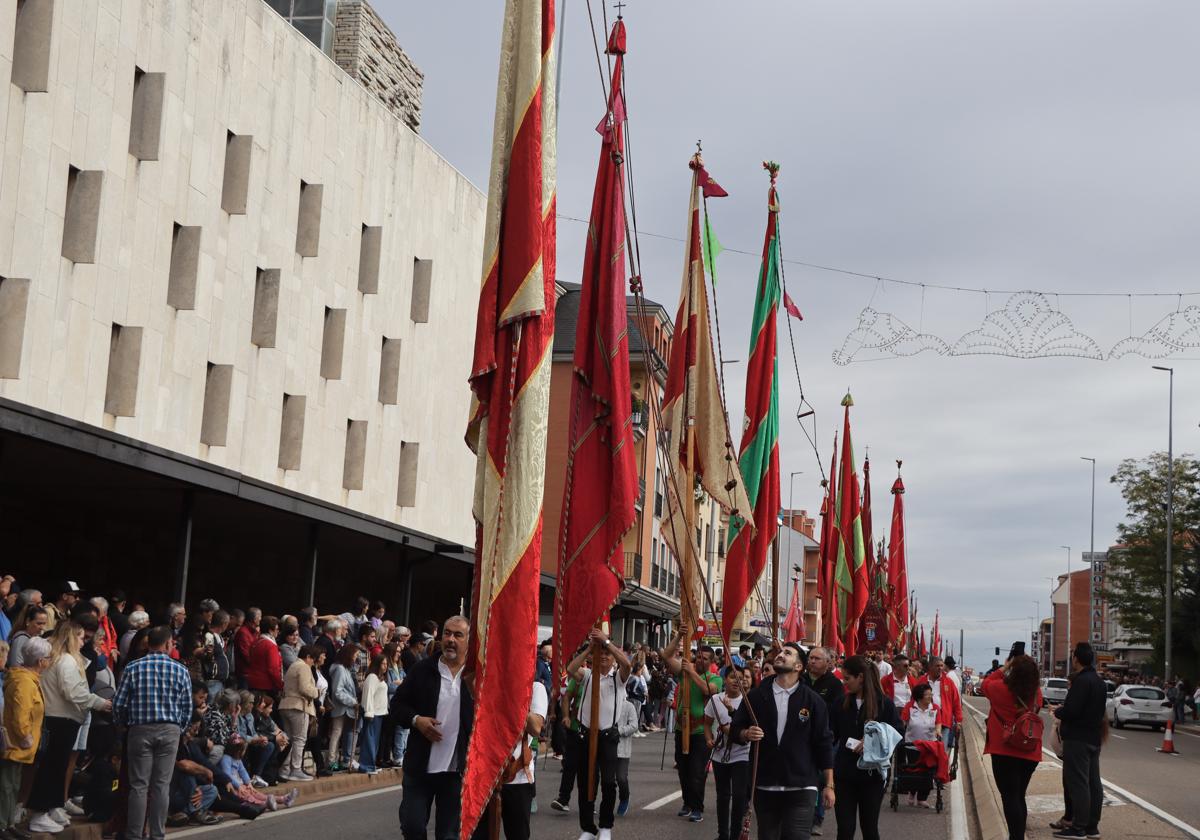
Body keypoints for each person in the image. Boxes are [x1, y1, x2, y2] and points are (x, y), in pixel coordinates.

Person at [729, 643, 835, 840]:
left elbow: (824, 743)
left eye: (787, 653)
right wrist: (746, 733)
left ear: (798, 667)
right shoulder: (756, 696)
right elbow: (735, 730)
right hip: (765, 784)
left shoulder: (813, 701)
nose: (780, 655)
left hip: (802, 785)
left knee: (796, 836)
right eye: (779, 652)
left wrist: (829, 785)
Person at [392, 616, 474, 840]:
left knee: (448, 835)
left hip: (456, 772)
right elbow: (397, 705)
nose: (450, 640)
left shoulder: (476, 677)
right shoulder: (423, 670)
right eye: (447, 633)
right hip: (420, 767)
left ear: (469, 640)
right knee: (412, 826)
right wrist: (417, 720)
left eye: (458, 635)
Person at [27, 619, 111, 834]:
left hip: (63, 718)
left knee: (57, 765)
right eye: (81, 637)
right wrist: (99, 702)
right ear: (71, 636)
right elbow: (73, 692)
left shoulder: (64, 659)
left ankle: (51, 806)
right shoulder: (65, 660)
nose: (84, 642)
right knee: (52, 766)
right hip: (60, 719)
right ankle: (39, 812)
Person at [113, 624, 193, 840]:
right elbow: (187, 707)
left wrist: (124, 725)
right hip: (170, 730)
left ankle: (134, 834)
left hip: (139, 729)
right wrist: (179, 728)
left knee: (139, 785)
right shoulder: (181, 670)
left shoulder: (132, 668)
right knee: (161, 786)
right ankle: (157, 834)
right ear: (168, 644)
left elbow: (119, 704)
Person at [566, 628, 633, 840]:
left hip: (607, 738)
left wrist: (607, 642)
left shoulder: (618, 679)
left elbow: (628, 665)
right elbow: (570, 669)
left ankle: (605, 826)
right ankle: (587, 828)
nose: (603, 656)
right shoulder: (587, 675)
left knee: (608, 783)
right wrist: (589, 649)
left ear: (613, 657)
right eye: (600, 653)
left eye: (607, 654)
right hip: (585, 736)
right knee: (586, 782)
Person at [830, 656, 901, 840]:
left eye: (847, 678)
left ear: (860, 677)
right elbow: (830, 735)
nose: (844, 683)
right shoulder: (840, 703)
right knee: (845, 830)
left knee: (869, 828)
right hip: (844, 776)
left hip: (872, 777)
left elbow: (897, 733)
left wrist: (872, 741)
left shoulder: (884, 704)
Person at [472, 678, 548, 840]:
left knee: (518, 835)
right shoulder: (489, 682)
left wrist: (512, 697)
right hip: (484, 777)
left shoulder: (535, 687)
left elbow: (535, 728)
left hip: (517, 779)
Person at [981, 654, 1042, 840]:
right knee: (1019, 796)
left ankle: (1016, 838)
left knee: (1009, 797)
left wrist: (1004, 667)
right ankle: (1017, 837)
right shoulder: (1036, 693)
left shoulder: (1000, 688)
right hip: (1029, 751)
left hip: (1004, 750)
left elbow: (985, 683)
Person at [663, 632, 721, 823]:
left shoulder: (715, 678)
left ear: (712, 662)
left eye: (705, 659)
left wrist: (691, 672)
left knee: (697, 772)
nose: (700, 660)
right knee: (683, 769)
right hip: (682, 729)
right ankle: (687, 803)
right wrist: (680, 635)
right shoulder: (685, 672)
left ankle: (697, 807)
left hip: (700, 733)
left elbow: (707, 690)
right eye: (698, 657)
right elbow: (667, 656)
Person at [1052, 643, 1106, 840]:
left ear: (1077, 658)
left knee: (1079, 783)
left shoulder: (1082, 681)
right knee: (1093, 783)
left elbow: (1072, 711)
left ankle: (1079, 827)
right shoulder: (1099, 682)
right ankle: (1092, 826)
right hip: (1093, 737)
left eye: (1073, 656)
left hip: (1078, 739)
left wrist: (1059, 711)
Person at [1, 637, 50, 836]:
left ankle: (8, 823)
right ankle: (3, 824)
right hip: (15, 744)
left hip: (20, 745)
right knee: (6, 786)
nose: (49, 661)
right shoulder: (24, 682)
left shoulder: (28, 680)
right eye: (48, 658)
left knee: (13, 785)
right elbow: (21, 714)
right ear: (40, 661)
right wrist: (25, 736)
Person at [705, 668, 752, 840]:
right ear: (724, 679)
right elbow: (707, 724)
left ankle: (735, 834)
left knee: (739, 796)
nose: (736, 681)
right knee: (723, 796)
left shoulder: (748, 701)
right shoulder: (715, 700)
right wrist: (709, 739)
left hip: (742, 755)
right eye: (733, 677)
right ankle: (722, 834)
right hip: (719, 755)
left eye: (740, 678)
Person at [278, 645, 320, 782]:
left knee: (289, 739)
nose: (313, 662)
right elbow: (304, 688)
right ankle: (295, 769)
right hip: (298, 706)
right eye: (313, 659)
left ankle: (285, 769)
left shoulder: (293, 665)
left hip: (285, 705)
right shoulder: (303, 667)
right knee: (300, 739)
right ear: (308, 657)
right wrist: (317, 692)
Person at [899, 683, 940, 808]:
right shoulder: (910, 707)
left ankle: (922, 798)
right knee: (914, 770)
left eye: (931, 694)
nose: (930, 696)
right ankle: (912, 793)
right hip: (912, 745)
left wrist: (938, 731)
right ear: (919, 696)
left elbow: (939, 723)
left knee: (927, 771)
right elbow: (903, 722)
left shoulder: (935, 708)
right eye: (927, 694)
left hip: (929, 745)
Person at [915, 657, 961, 750]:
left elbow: (956, 701)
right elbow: (914, 699)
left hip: (944, 720)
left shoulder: (948, 682)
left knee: (941, 750)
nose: (940, 668)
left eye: (941, 666)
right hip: (925, 720)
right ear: (930, 667)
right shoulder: (922, 681)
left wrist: (958, 720)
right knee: (926, 749)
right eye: (937, 666)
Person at [327, 643, 360, 771]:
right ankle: (331, 760)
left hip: (345, 707)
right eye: (355, 655)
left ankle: (335, 759)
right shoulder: (340, 669)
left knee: (338, 733)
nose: (356, 658)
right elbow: (338, 691)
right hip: (341, 707)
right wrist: (352, 701)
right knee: (336, 733)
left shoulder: (345, 668)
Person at [359, 654, 390, 774]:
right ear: (377, 664)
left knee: (374, 740)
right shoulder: (372, 677)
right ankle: (366, 765)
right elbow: (368, 695)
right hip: (372, 713)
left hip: (380, 713)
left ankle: (370, 764)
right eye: (383, 663)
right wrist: (368, 712)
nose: (385, 666)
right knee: (369, 740)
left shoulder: (380, 677)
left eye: (386, 664)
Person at [614, 695, 640, 818]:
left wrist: (619, 730)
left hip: (622, 749)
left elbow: (634, 726)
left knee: (621, 778)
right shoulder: (604, 704)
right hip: (605, 747)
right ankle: (607, 804)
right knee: (606, 780)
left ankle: (624, 797)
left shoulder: (628, 706)